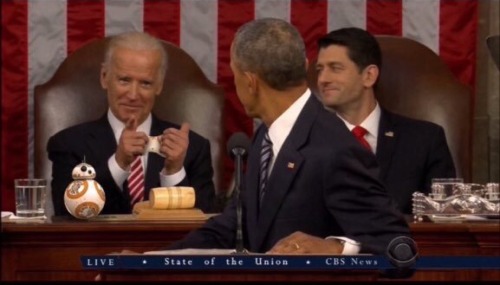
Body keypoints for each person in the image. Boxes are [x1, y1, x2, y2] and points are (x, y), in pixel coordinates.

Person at [167, 18, 410, 255]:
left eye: (235, 74)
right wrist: (151, 258)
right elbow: (232, 224)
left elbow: (398, 245)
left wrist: (334, 248)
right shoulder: (265, 136)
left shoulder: (334, 149)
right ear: (304, 66)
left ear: (251, 82)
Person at [47, 31, 217, 215]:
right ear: (104, 77)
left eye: (145, 83)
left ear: (159, 86)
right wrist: (118, 164)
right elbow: (67, 215)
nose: (133, 95)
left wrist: (173, 171)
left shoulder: (194, 147)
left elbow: (207, 225)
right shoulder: (69, 145)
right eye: (124, 80)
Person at [315, 27, 456, 214]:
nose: (323, 79)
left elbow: (442, 223)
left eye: (335, 68)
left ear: (369, 76)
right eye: (320, 69)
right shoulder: (306, 140)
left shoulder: (425, 140)